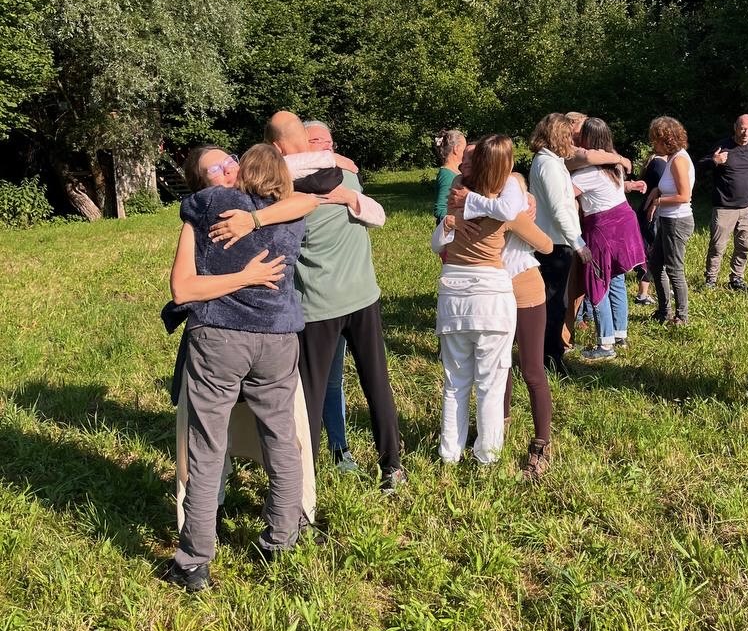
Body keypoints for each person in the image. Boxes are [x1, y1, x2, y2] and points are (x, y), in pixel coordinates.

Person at [210, 112, 406, 493]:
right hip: (363, 296)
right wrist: (336, 163)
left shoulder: (279, 188)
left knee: (309, 397)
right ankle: (392, 467)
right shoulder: (344, 174)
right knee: (377, 383)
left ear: (276, 147)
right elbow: (372, 210)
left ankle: (305, 481)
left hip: (317, 306)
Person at [165, 144, 311, 592]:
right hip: (278, 338)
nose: (228, 167)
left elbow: (181, 291)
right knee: (281, 437)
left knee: (208, 445)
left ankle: (194, 560)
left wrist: (250, 224)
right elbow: (309, 197)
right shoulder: (287, 210)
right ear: (202, 180)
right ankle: (282, 538)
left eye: (230, 159)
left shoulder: (206, 207)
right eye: (216, 167)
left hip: (220, 338)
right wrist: (247, 276)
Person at [430, 134, 546, 466]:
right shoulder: (506, 205)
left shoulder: (456, 198)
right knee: (491, 384)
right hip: (492, 296)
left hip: (453, 293)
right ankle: (487, 455)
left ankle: (449, 453)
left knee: (455, 382)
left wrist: (452, 220)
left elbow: (437, 246)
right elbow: (546, 244)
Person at [570, 118, 646, 360]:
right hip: (624, 223)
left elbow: (561, 196)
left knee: (597, 280)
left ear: (587, 140)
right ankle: (620, 335)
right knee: (616, 280)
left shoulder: (586, 173)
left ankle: (605, 344)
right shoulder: (615, 166)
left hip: (603, 228)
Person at [528, 114, 592, 376]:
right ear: (558, 136)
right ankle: (550, 360)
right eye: (568, 136)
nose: (572, 141)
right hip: (555, 243)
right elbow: (559, 209)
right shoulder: (549, 165)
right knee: (555, 303)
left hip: (554, 239)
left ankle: (549, 355)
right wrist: (578, 243)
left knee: (554, 302)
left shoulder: (549, 161)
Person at [699, 114, 748, 292]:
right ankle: (711, 280)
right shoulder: (722, 146)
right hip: (724, 207)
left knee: (744, 246)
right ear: (735, 127)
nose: (746, 133)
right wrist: (714, 161)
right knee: (717, 246)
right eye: (743, 129)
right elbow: (699, 166)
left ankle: (737, 278)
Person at [645, 117, 696, 326]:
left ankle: (682, 316)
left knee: (674, 269)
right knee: (656, 264)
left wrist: (658, 201)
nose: (653, 144)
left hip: (677, 220)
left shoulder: (679, 160)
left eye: (655, 140)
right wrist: (657, 190)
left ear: (666, 140)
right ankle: (663, 311)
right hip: (668, 220)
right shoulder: (672, 158)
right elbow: (669, 185)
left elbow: (684, 195)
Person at [628, 149, 666, 306]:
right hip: (653, 212)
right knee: (654, 252)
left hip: (651, 210)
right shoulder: (659, 163)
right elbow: (663, 187)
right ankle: (642, 294)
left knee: (655, 251)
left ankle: (657, 288)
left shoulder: (657, 161)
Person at [433, 128, 467, 222]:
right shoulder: (447, 175)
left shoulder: (455, 172)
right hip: (450, 229)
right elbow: (440, 209)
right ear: (456, 149)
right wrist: (459, 219)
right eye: (465, 148)